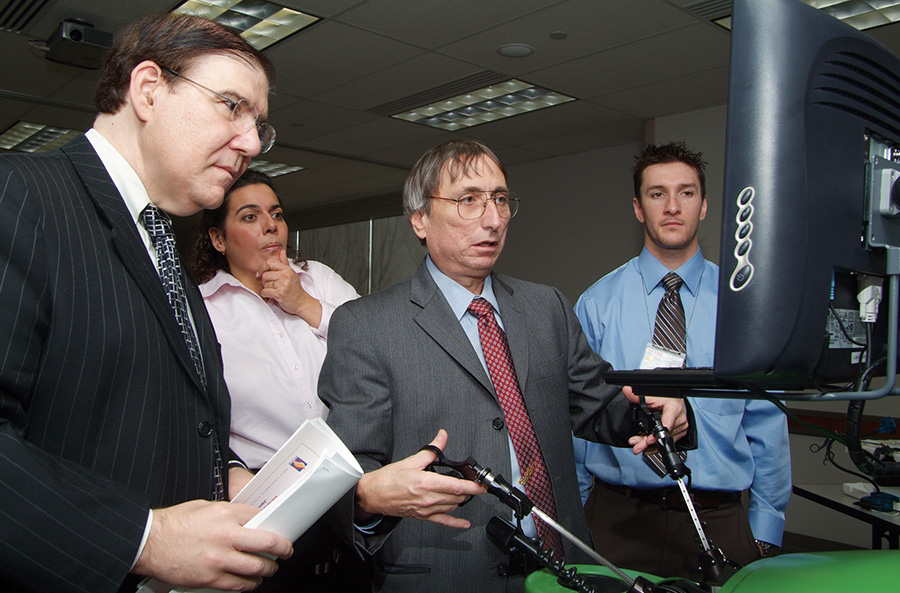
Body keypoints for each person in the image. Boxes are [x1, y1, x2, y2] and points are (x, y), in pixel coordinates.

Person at [0, 13, 295, 593]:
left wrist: (226, 477)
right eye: (232, 106)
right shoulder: (22, 196)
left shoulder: (161, 241)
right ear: (148, 90)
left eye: (260, 124)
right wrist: (144, 539)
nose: (252, 143)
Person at [317, 139, 691, 593]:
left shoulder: (546, 307)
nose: (493, 219)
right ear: (420, 219)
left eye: (499, 200)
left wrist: (653, 414)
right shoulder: (367, 326)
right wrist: (369, 494)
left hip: (564, 567)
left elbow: (600, 406)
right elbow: (348, 474)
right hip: (444, 574)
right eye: (468, 200)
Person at [573, 141, 791, 581]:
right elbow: (578, 420)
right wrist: (576, 515)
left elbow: (767, 422)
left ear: (704, 205)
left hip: (719, 521)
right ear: (638, 208)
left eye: (686, 193)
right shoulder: (596, 304)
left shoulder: (745, 306)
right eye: (657, 194)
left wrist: (766, 527)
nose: (672, 206)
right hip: (618, 520)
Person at [190, 169, 368, 592]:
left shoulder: (319, 279)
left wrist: (303, 303)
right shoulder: (201, 310)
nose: (270, 225)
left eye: (276, 213)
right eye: (250, 217)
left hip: (350, 484)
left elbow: (379, 347)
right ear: (218, 239)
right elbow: (192, 411)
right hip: (267, 497)